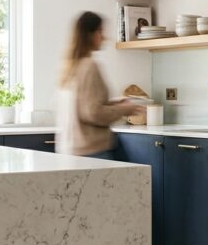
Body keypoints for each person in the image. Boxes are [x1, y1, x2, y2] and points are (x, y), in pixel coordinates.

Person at [56, 11, 143, 160]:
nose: (104, 37)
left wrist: (114, 103)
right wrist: (124, 109)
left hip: (70, 149)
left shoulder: (70, 67)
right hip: (91, 150)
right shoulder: (89, 66)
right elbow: (92, 112)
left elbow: (84, 105)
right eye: (100, 31)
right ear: (91, 34)